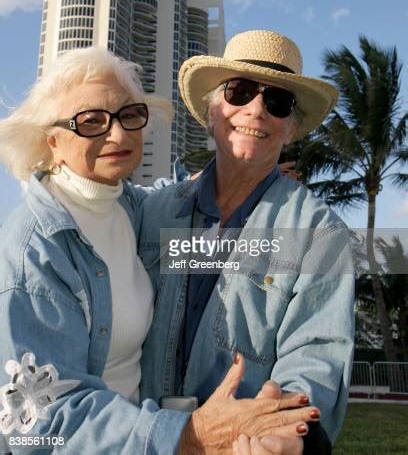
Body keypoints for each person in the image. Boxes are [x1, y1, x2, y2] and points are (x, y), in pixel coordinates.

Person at [0, 47, 319, 454]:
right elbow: (36, 427)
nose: (116, 134)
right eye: (90, 122)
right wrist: (187, 435)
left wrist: (234, 171)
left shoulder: (133, 208)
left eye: (128, 115)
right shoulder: (35, 249)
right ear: (52, 140)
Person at [138, 30, 356, 454]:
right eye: (239, 92)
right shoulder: (150, 210)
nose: (256, 110)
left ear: (291, 128)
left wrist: (282, 431)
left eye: (277, 102)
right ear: (213, 109)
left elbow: (317, 354)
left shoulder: (320, 233)